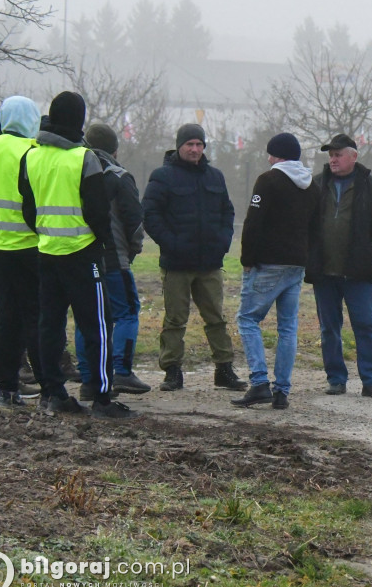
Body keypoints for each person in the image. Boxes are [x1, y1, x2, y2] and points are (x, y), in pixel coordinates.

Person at [18, 91, 137, 419]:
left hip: (46, 253)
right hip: (83, 255)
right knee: (97, 325)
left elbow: (27, 208)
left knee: (50, 325)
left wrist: (46, 231)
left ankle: (54, 393)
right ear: (79, 120)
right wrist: (98, 245)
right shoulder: (84, 158)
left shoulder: (31, 157)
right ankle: (101, 399)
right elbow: (99, 213)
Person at [142, 123, 247, 392]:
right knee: (175, 320)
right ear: (179, 146)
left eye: (199, 144)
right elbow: (150, 216)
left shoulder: (215, 177)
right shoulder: (162, 177)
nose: (195, 149)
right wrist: (172, 244)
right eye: (190, 144)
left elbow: (227, 212)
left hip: (210, 263)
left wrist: (223, 243)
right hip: (177, 264)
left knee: (216, 318)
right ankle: (172, 371)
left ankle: (224, 369)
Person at [232, 133, 318, 410]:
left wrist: (247, 257)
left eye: (270, 154)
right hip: (297, 264)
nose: (268, 159)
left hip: (268, 263)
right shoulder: (311, 185)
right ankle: (282, 391)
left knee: (247, 319)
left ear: (277, 155)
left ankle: (259, 382)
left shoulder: (267, 181)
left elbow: (253, 221)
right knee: (287, 327)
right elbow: (315, 225)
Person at [307, 133, 372, 399]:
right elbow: (305, 225)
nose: (333, 159)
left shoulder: (369, 186)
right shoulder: (317, 185)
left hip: (359, 274)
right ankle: (336, 379)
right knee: (329, 328)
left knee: (365, 326)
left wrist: (368, 256)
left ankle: (371, 381)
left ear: (353, 157)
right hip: (324, 272)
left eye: (338, 154)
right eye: (330, 155)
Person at [73, 123, 150, 398]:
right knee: (127, 311)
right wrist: (132, 252)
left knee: (87, 317)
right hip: (114, 259)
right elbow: (134, 221)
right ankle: (122, 371)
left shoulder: (74, 170)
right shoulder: (119, 176)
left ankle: (87, 376)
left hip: (80, 256)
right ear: (115, 149)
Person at [0, 96, 46, 409]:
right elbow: (34, 203)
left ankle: (4, 386)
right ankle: (47, 385)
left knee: (5, 316)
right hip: (29, 247)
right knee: (35, 317)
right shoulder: (31, 152)